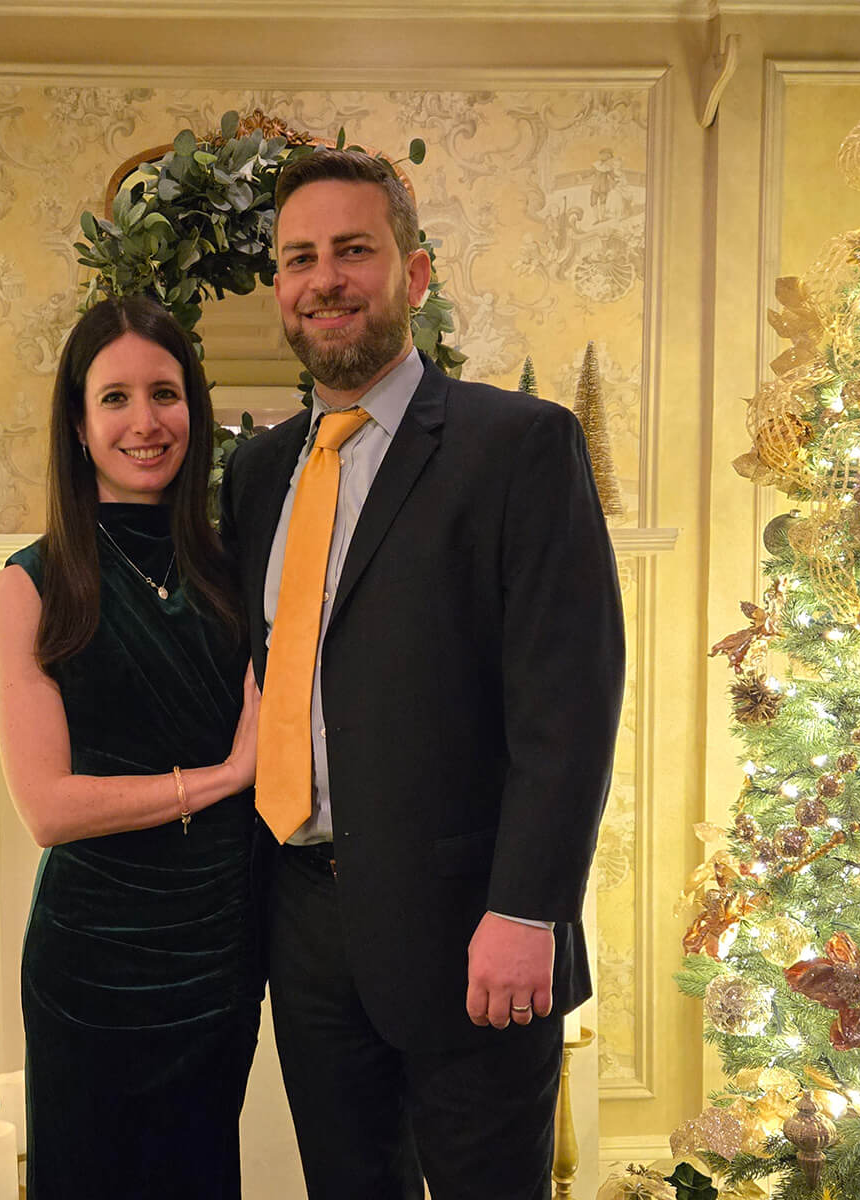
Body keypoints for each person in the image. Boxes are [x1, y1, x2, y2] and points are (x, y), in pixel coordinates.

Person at [219, 149, 625, 1199]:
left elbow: (567, 705)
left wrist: (529, 911)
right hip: (303, 926)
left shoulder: (518, 447)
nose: (326, 278)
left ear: (416, 272)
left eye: (356, 248)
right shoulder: (257, 474)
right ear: (280, 288)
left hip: (473, 934)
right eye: (300, 257)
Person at [0, 296, 263, 1200]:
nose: (145, 422)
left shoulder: (237, 569)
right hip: (93, 962)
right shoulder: (30, 586)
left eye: (165, 393)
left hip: (219, 950)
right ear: (77, 422)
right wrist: (224, 776)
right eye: (115, 398)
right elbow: (49, 809)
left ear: (196, 408)